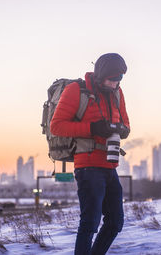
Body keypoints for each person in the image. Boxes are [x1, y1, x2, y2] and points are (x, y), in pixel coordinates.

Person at [50, 53, 130, 255]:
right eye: (112, 79)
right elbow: (56, 126)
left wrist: (122, 129)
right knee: (90, 222)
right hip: (87, 166)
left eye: (119, 79)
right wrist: (93, 128)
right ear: (101, 74)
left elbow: (127, 123)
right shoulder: (76, 91)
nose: (115, 83)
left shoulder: (117, 94)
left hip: (110, 164)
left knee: (115, 222)